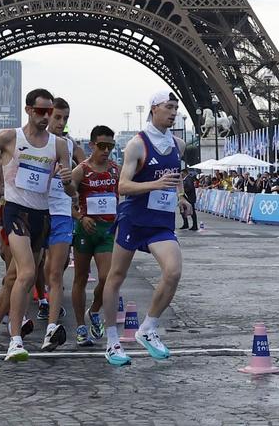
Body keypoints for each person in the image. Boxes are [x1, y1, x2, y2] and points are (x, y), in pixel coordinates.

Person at [0, 87, 72, 364]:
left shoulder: (59, 145)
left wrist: (67, 180)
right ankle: (15, 339)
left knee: (14, 280)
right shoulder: (9, 137)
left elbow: (71, 190)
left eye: (50, 112)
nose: (46, 117)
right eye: (41, 111)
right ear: (28, 110)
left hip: (42, 215)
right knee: (28, 273)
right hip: (15, 211)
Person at [98, 90, 184, 367]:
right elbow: (122, 186)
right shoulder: (137, 144)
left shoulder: (178, 144)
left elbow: (176, 176)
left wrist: (181, 197)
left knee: (173, 272)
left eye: (176, 108)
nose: (173, 113)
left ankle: (148, 328)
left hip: (160, 223)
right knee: (115, 277)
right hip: (134, 220)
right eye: (168, 107)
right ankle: (112, 341)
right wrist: (154, 185)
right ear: (153, 109)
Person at [37, 98, 84, 350]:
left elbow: (82, 175)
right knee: (21, 273)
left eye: (65, 118)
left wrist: (72, 187)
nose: (61, 123)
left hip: (62, 214)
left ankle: (51, 328)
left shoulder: (68, 145)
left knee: (57, 271)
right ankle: (14, 326)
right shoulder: (31, 143)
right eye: (57, 117)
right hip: (36, 211)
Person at [67, 125, 119, 346]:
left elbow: (123, 195)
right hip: (85, 231)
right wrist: (80, 217)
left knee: (107, 278)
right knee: (80, 278)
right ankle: (80, 327)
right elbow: (66, 202)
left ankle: (94, 310)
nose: (106, 150)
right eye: (102, 146)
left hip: (106, 231)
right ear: (91, 145)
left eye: (110, 146)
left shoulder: (116, 170)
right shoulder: (81, 170)